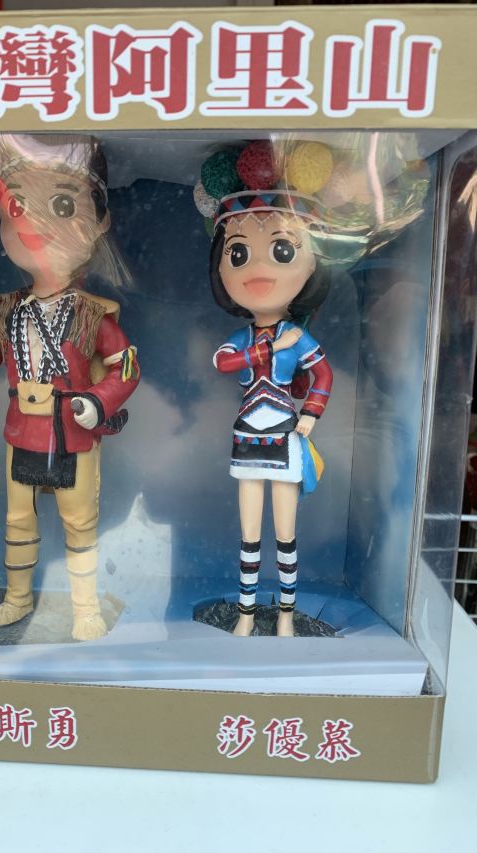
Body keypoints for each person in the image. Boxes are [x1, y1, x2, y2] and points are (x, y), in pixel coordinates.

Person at [0, 134, 139, 641]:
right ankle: (16, 599)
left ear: (99, 221)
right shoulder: (4, 311)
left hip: (73, 432)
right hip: (22, 432)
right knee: (18, 521)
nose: (33, 223)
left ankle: (84, 608)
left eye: (61, 205)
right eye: (17, 206)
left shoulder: (93, 314)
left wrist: (98, 402)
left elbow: (125, 369)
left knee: (79, 521)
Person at [196, 140, 334, 638]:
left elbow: (323, 376)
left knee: (286, 536)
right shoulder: (260, 338)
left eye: (282, 250)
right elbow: (223, 362)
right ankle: (247, 614)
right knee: (249, 537)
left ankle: (287, 617)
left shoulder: (300, 337)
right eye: (238, 252)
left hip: (285, 437)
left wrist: (311, 414)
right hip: (248, 439)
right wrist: (269, 349)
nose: (257, 269)